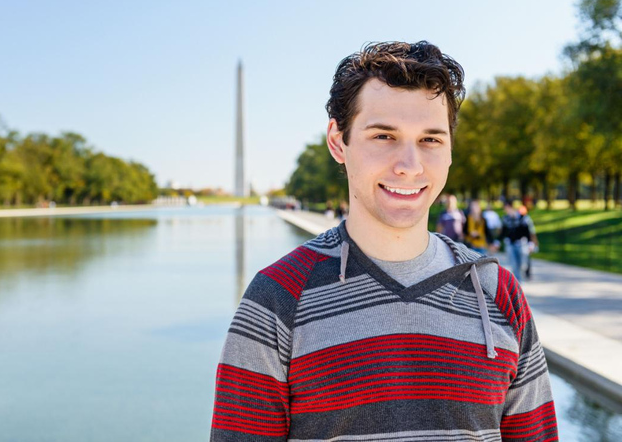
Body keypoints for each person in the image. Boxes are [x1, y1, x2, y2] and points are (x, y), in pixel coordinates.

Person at [210, 41, 557, 441]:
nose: (409, 166)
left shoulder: (499, 294)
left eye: (430, 139)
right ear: (338, 142)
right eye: (384, 136)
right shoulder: (276, 299)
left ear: (449, 150)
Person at [500, 201, 537, 281]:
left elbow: (528, 231)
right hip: (510, 244)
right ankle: (518, 282)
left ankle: (524, 275)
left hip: (521, 244)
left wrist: (531, 243)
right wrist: (497, 241)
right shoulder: (506, 219)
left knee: (523, 264)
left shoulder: (523, 218)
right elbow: (503, 232)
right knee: (514, 265)